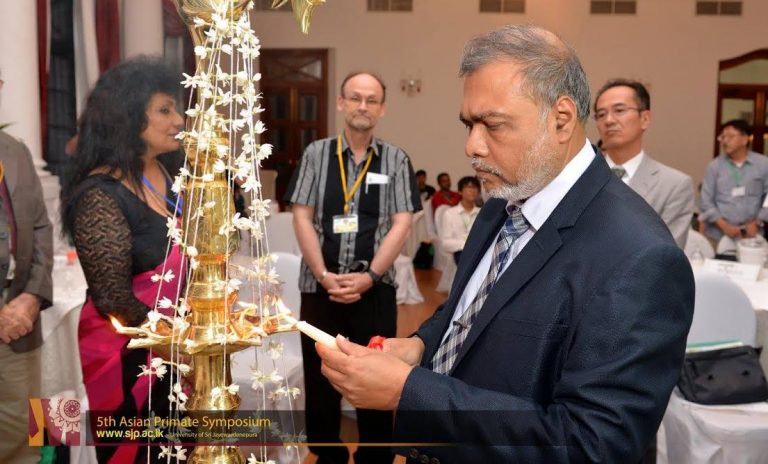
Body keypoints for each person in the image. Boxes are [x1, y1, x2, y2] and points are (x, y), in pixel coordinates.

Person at [316, 25, 694, 463]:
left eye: (492, 125)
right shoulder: (504, 199)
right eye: (468, 124)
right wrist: (420, 346)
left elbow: (591, 447)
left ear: (562, 119)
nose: (471, 146)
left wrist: (409, 392)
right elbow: (473, 304)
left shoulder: (641, 257)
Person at [284, 70, 420, 464]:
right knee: (320, 377)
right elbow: (301, 215)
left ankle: (374, 457)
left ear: (382, 108)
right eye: (355, 97)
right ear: (341, 102)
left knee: (377, 372)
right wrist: (324, 275)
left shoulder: (396, 159)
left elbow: (402, 222)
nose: (363, 106)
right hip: (320, 286)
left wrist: (370, 276)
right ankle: (327, 455)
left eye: (371, 99)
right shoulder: (316, 154)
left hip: (375, 289)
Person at [61, 56, 185, 463]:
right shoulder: (100, 193)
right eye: (164, 110)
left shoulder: (170, 174)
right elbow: (113, 297)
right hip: (127, 351)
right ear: (129, 116)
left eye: (176, 109)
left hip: (177, 345)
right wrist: (176, 342)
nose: (178, 120)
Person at [0, 73, 54, 463]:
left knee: (26, 428)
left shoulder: (15, 151)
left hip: (18, 316)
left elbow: (40, 227)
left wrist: (32, 296)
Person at [594, 79, 694, 248]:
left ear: (645, 118)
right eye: (601, 114)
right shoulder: (578, 175)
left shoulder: (674, 185)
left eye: (619, 110)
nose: (609, 120)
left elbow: (668, 255)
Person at [700, 119, 768, 243]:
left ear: (745, 139)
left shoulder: (763, 164)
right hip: (718, 236)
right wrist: (723, 225)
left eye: (730, 136)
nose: (725, 141)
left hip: (751, 236)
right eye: (722, 137)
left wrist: (758, 221)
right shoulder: (714, 166)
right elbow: (706, 201)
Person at [440, 176, 481, 265]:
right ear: (460, 191)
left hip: (479, 252)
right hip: (460, 253)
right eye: (468, 187)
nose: (472, 190)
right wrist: (466, 244)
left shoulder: (482, 213)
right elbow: (445, 243)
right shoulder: (450, 213)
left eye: (475, 187)